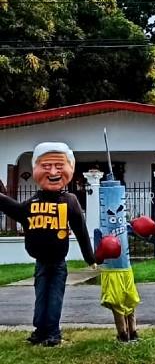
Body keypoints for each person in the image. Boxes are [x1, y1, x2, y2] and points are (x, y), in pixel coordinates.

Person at [0, 142, 95, 347]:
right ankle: (40, 331)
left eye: (59, 167)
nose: (53, 172)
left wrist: (90, 257)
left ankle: (53, 332)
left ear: (70, 168)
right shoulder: (33, 203)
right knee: (41, 295)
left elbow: (81, 230)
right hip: (40, 261)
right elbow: (14, 209)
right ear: (35, 168)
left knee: (54, 297)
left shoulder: (69, 201)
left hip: (58, 261)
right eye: (46, 166)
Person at [92, 178, 155, 342]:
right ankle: (122, 335)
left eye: (120, 209)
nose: (115, 214)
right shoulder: (99, 231)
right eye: (110, 212)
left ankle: (134, 332)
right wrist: (102, 251)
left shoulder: (128, 227)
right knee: (117, 304)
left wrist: (154, 231)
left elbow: (152, 240)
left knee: (130, 301)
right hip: (112, 272)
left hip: (126, 270)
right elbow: (97, 258)